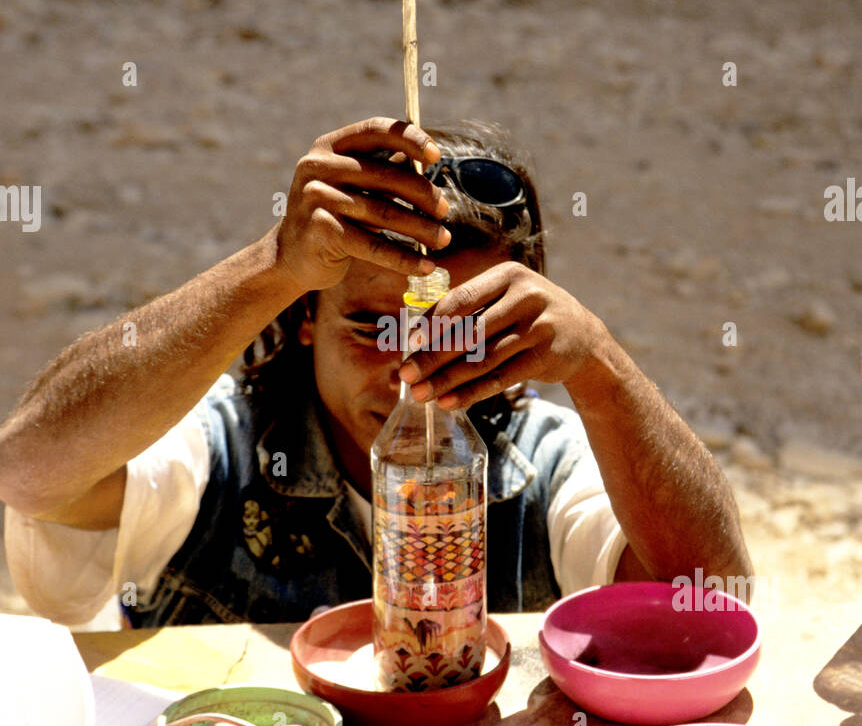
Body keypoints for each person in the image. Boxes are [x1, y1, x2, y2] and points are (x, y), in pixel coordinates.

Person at [0, 116, 752, 626]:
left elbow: (712, 608)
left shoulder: (542, 466)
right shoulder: (219, 446)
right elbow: (29, 473)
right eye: (372, 327)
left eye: (464, 334)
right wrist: (269, 267)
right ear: (304, 319)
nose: (409, 376)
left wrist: (603, 368)